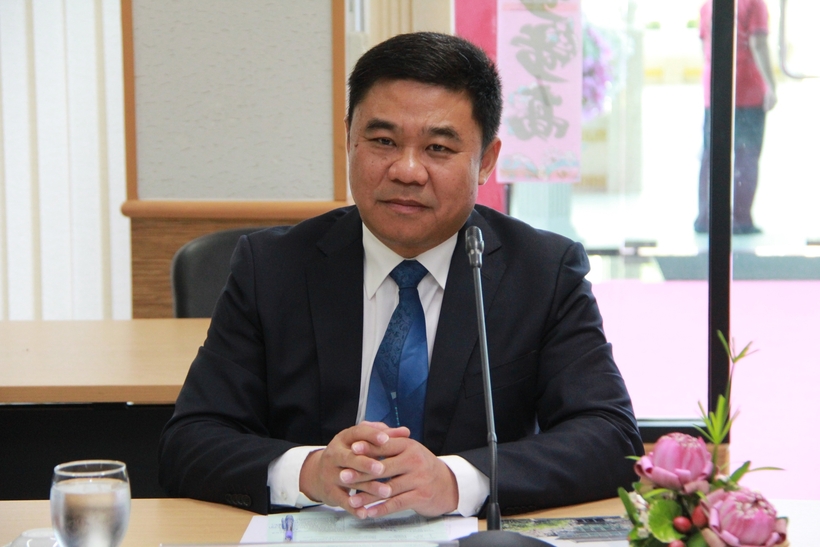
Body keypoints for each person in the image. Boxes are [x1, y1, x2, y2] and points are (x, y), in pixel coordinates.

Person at [158, 32, 642, 518]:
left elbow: (611, 437)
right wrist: (310, 472)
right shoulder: (272, 267)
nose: (407, 170)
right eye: (384, 141)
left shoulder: (542, 271)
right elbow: (190, 441)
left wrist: (455, 481)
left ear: (486, 161)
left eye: (438, 148)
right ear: (349, 139)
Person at [695, 0, 777, 235]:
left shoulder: (708, 5)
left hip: (714, 88)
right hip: (748, 87)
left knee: (711, 154)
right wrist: (771, 85)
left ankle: (706, 217)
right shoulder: (755, 3)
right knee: (746, 155)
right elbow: (758, 44)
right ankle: (740, 219)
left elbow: (704, 46)